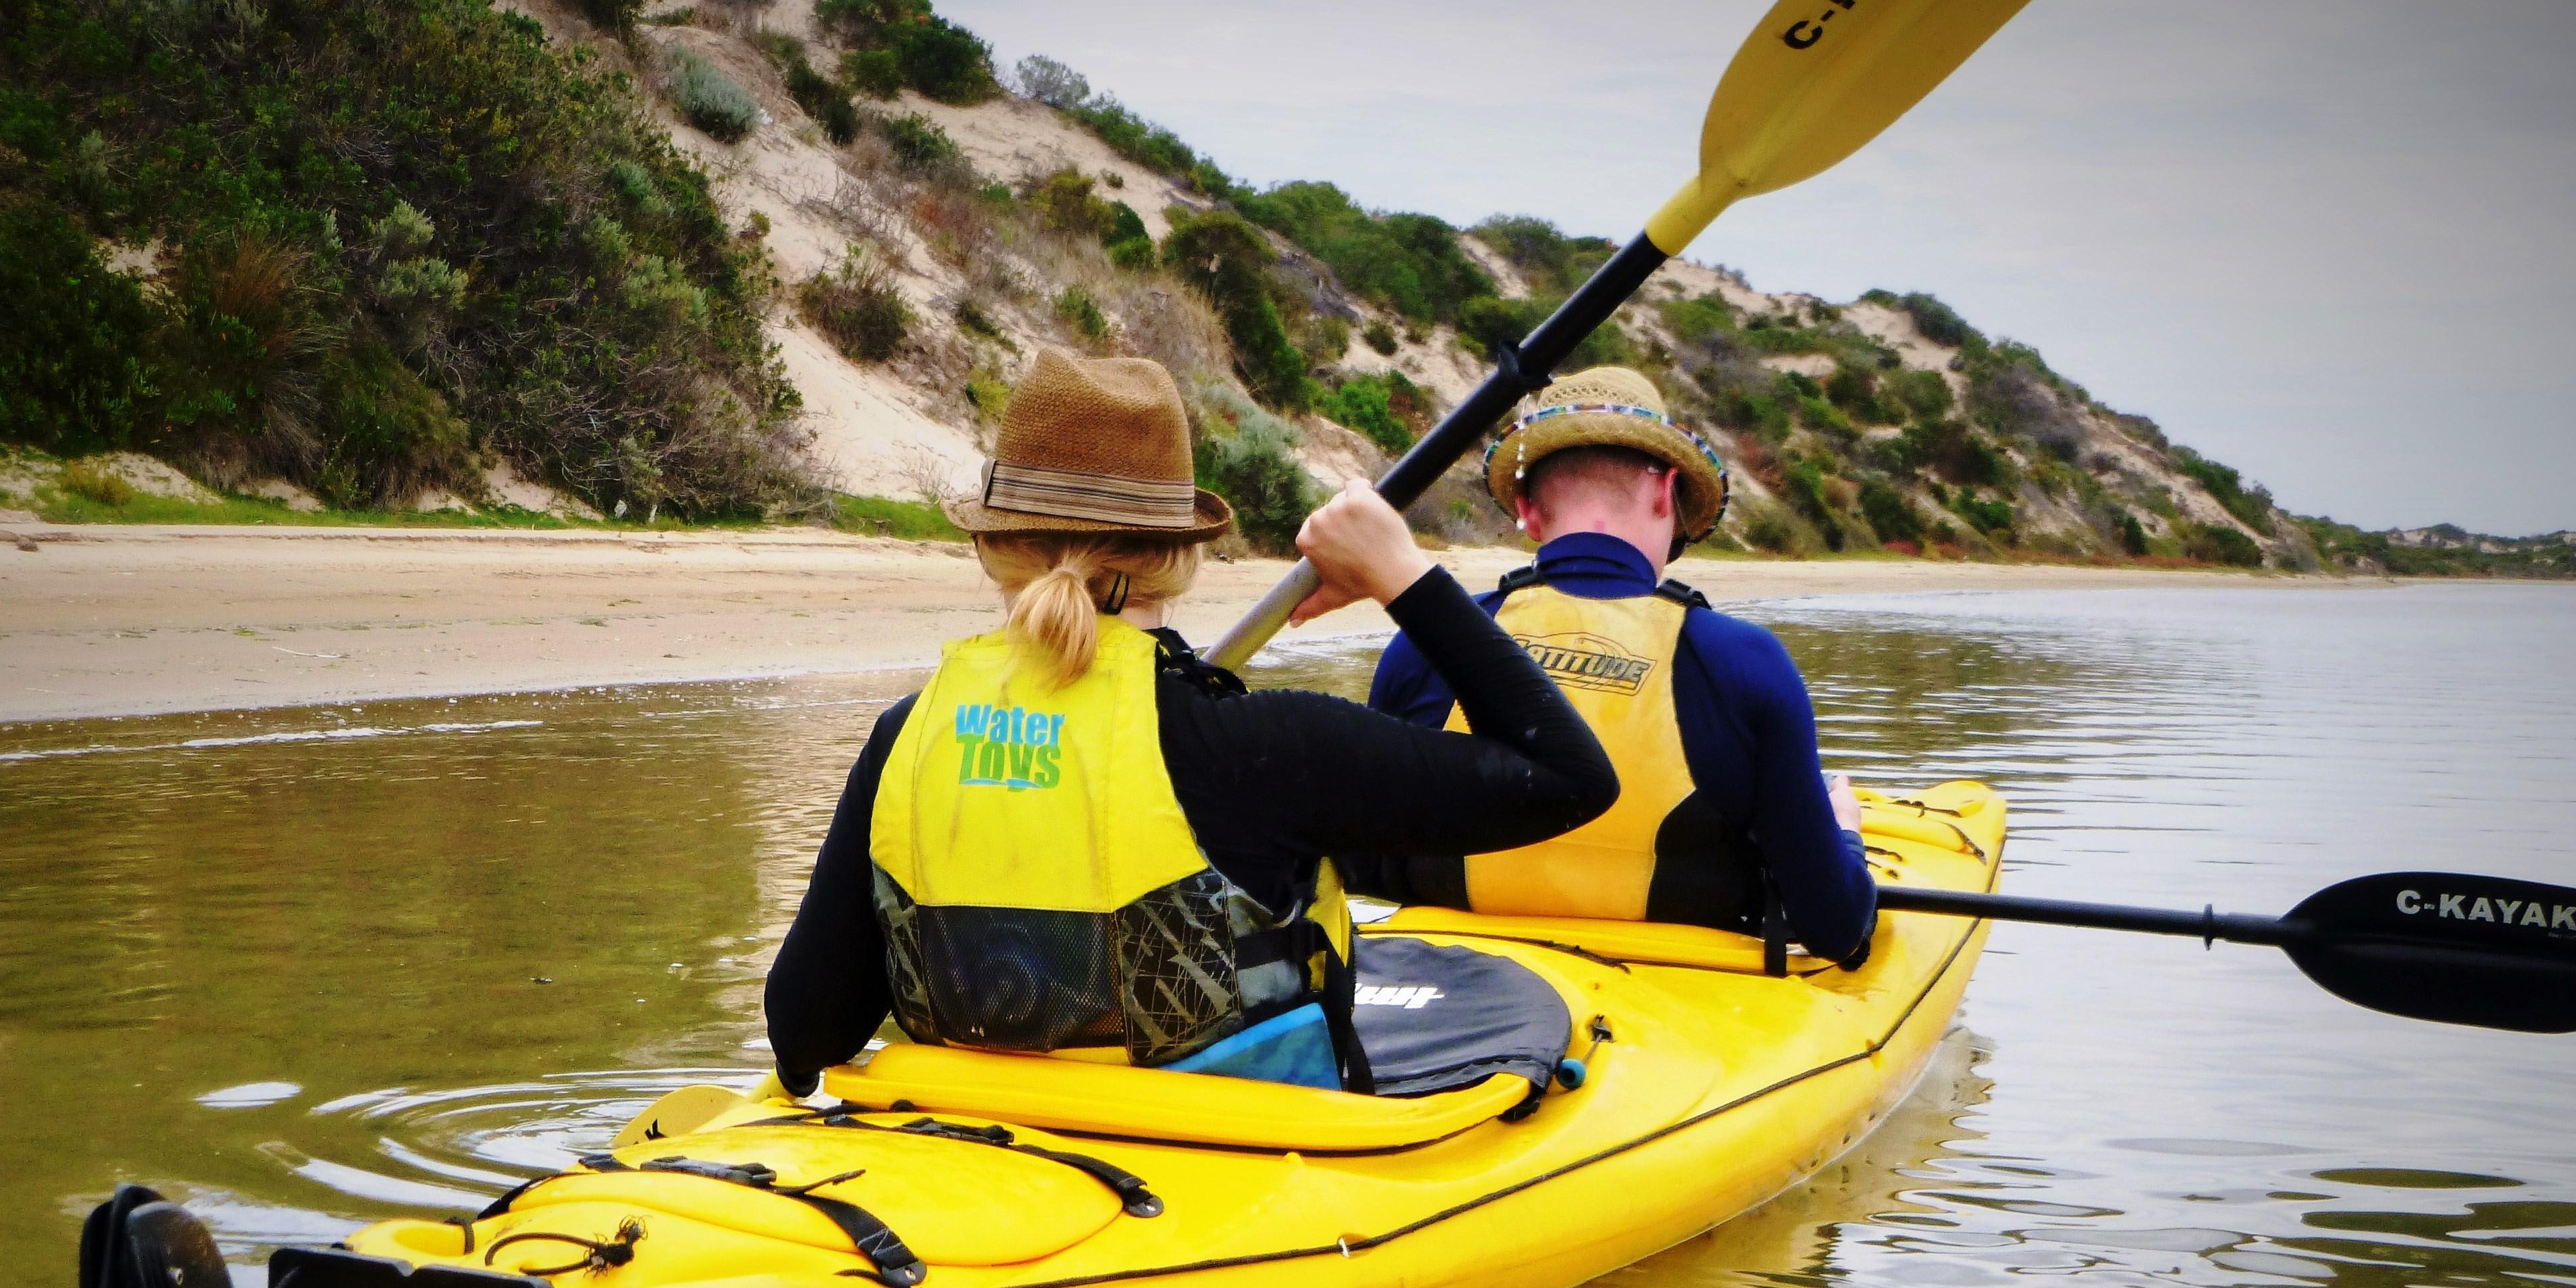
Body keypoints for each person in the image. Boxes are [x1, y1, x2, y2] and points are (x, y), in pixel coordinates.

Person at [764, 348, 1618, 1096]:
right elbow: (1572, 779)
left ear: (993, 547)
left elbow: (805, 1034)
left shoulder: (907, 737)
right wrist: (1402, 576)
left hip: (984, 1158)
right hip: (1235, 1168)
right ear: (1180, 558)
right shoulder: (1264, 747)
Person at [1344, 365, 1876, 967]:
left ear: (1528, 512)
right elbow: (1834, 926)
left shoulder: (1422, 645)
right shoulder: (1745, 661)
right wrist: (1845, 834)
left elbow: (1364, 861)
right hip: (1673, 1011)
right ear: (1663, 492)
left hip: (1449, 987)